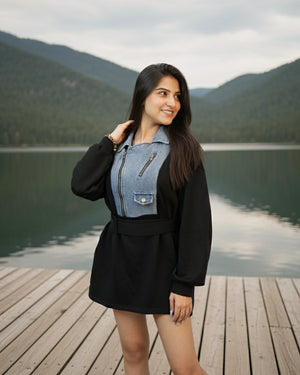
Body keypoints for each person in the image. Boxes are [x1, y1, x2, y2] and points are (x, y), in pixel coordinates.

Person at [71, 63, 212, 375]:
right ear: (142, 95)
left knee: (185, 367)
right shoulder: (118, 147)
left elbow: (197, 225)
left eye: (177, 96)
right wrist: (108, 142)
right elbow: (81, 185)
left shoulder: (184, 151)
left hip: (164, 264)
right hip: (120, 259)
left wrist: (185, 283)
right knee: (133, 351)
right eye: (163, 93)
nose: (172, 102)